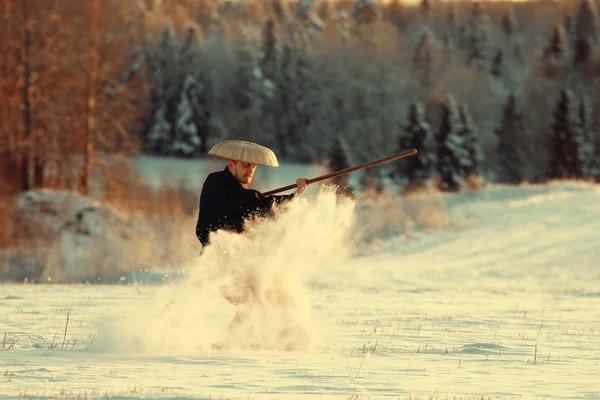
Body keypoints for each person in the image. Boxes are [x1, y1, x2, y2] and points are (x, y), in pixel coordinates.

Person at [195, 140, 309, 248]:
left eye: (253, 166)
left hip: (214, 258)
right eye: (245, 165)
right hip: (225, 260)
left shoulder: (216, 180)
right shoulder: (228, 188)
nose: (250, 171)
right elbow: (267, 205)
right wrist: (297, 194)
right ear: (231, 164)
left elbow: (250, 200)